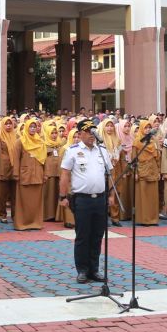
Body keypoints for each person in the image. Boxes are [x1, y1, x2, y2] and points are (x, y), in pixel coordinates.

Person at [59, 119, 109, 284]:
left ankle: (94, 269)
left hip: (100, 198)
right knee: (83, 236)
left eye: (93, 132)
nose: (92, 135)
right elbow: (65, 175)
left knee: (97, 235)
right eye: (88, 132)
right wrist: (63, 196)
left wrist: (112, 195)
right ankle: (82, 270)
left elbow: (110, 173)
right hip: (82, 200)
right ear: (79, 134)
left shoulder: (102, 150)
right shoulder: (72, 151)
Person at [13, 118, 46, 231]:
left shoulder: (40, 142)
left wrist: (45, 174)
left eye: (34, 127)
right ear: (26, 127)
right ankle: (22, 223)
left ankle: (35, 222)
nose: (32, 129)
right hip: (25, 175)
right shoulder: (20, 141)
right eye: (30, 127)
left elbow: (44, 160)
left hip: (38, 175)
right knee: (23, 201)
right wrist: (16, 174)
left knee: (36, 201)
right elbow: (16, 158)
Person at [130, 120, 160, 226]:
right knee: (144, 196)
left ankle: (153, 219)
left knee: (153, 197)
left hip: (153, 170)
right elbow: (133, 159)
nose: (147, 130)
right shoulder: (137, 142)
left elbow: (158, 157)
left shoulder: (153, 141)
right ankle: (144, 219)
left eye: (149, 128)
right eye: (145, 128)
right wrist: (136, 173)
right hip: (142, 170)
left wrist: (159, 170)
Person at [42, 121, 64, 222]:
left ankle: (56, 215)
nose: (54, 135)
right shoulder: (44, 145)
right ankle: (47, 215)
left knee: (57, 193)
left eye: (56, 133)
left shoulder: (60, 145)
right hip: (49, 173)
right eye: (52, 133)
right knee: (49, 194)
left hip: (58, 173)